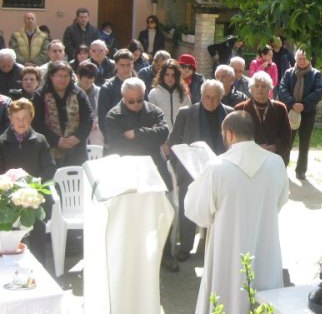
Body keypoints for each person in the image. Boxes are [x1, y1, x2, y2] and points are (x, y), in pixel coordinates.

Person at [184, 111, 289, 314]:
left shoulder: (216, 167)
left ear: (229, 134)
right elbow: (280, 201)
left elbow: (197, 212)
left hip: (227, 251)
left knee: (225, 297)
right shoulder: (276, 163)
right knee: (263, 300)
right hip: (265, 247)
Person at [104, 78, 177, 271]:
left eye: (139, 100)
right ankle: (133, 256)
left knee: (161, 213)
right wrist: (148, 137)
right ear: (123, 97)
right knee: (131, 216)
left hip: (154, 169)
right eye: (131, 101)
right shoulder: (113, 115)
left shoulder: (154, 111)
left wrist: (135, 133)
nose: (136, 104)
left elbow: (162, 134)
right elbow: (118, 144)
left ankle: (165, 254)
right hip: (128, 170)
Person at [168, 80, 233, 262]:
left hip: (221, 171)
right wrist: (179, 166)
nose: (211, 101)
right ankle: (185, 247)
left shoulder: (229, 113)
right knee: (188, 208)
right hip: (191, 170)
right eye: (207, 97)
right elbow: (173, 141)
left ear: (221, 97)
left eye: (215, 98)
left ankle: (214, 247)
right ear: (201, 95)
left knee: (218, 210)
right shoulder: (186, 113)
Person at [0, 98, 56, 256]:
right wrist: (10, 189)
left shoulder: (40, 140)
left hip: (35, 198)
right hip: (9, 200)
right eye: (17, 118)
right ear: (11, 119)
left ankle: (38, 266)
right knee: (12, 243)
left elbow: (50, 167)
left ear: (31, 118)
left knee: (37, 241)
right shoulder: (1, 142)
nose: (21, 122)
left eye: (25, 118)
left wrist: (33, 187)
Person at [32, 60, 92, 167]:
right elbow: (36, 122)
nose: (63, 79)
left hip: (76, 149)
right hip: (49, 149)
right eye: (59, 76)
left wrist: (77, 137)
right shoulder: (40, 95)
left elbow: (88, 118)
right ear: (51, 76)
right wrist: (56, 140)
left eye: (66, 76)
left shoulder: (79, 93)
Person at [278, 49, 322, 180]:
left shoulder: (316, 74)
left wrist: (304, 104)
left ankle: (301, 170)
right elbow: (282, 90)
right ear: (296, 59)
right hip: (290, 111)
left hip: (308, 113)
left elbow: (318, 92)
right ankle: (282, 167)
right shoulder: (288, 73)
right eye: (300, 59)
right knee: (287, 141)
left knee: (304, 143)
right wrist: (293, 103)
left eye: (305, 59)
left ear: (309, 59)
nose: (302, 61)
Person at [234, 71, 292, 166]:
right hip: (249, 159)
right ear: (251, 89)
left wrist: (274, 147)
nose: (260, 89)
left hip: (273, 158)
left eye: (264, 86)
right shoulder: (240, 109)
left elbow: (286, 136)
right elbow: (236, 137)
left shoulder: (280, 108)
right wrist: (254, 148)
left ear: (270, 89)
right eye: (256, 86)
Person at [97, 49, 135, 135]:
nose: (126, 68)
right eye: (122, 65)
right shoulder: (107, 88)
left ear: (132, 64)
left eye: (128, 65)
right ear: (116, 65)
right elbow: (103, 120)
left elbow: (147, 114)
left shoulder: (140, 86)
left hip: (137, 137)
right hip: (115, 138)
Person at [148, 59, 191, 129]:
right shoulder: (154, 93)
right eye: (167, 74)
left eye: (173, 75)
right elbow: (151, 118)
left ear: (177, 76)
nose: (170, 78)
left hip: (179, 133)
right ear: (162, 75)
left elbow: (189, 116)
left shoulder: (184, 93)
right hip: (162, 133)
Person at [76, 62, 102, 146]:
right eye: (86, 81)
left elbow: (102, 112)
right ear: (78, 77)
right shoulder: (72, 92)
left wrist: (95, 121)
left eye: (91, 81)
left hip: (95, 131)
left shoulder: (99, 91)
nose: (88, 84)